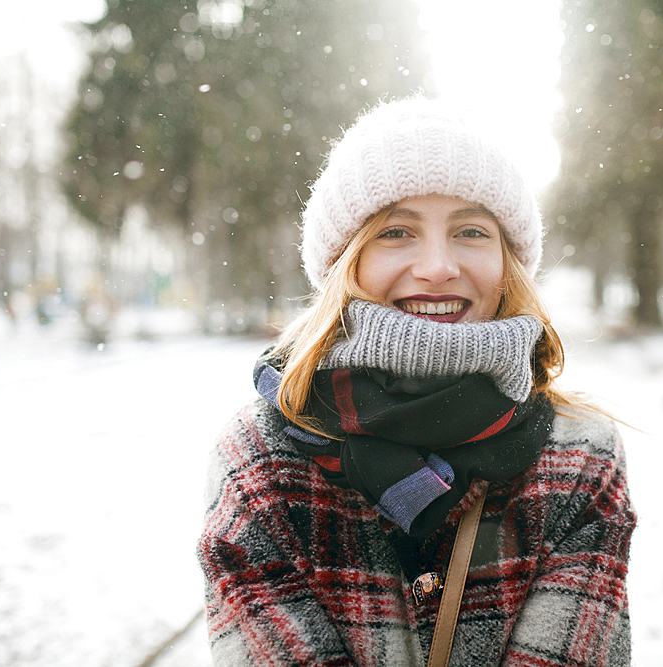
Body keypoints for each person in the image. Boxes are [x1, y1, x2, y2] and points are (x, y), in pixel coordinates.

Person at [197, 96, 636, 667]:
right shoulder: (258, 461)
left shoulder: (581, 460)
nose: (437, 266)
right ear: (344, 263)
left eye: (472, 231)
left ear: (508, 267)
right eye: (396, 231)